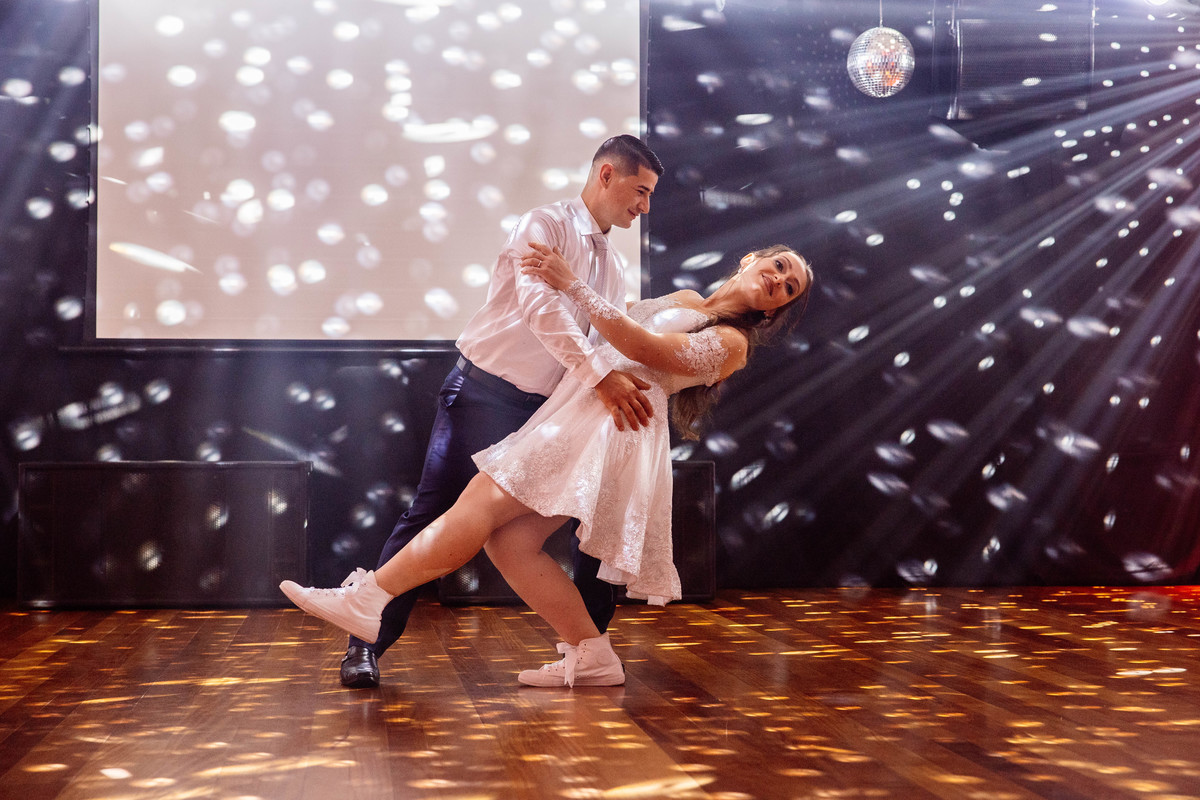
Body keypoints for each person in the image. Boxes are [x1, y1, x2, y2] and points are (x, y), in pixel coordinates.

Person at [283, 243, 813, 687]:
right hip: (584, 410)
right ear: (752, 259)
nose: (780, 280)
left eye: (790, 288)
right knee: (510, 544)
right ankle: (594, 656)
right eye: (780, 266)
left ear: (775, 311)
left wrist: (569, 282)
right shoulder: (685, 298)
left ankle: (369, 597)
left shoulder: (733, 342)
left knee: (481, 504)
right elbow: (605, 330)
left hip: (607, 427)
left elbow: (646, 347)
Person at [334, 135, 664, 689]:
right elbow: (542, 310)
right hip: (484, 393)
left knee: (596, 520)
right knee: (433, 513)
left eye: (650, 195)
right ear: (606, 175)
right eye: (640, 190)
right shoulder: (543, 225)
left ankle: (587, 653)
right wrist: (601, 377)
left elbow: (604, 331)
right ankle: (363, 644)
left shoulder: (611, 265)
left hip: (549, 414)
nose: (644, 206)